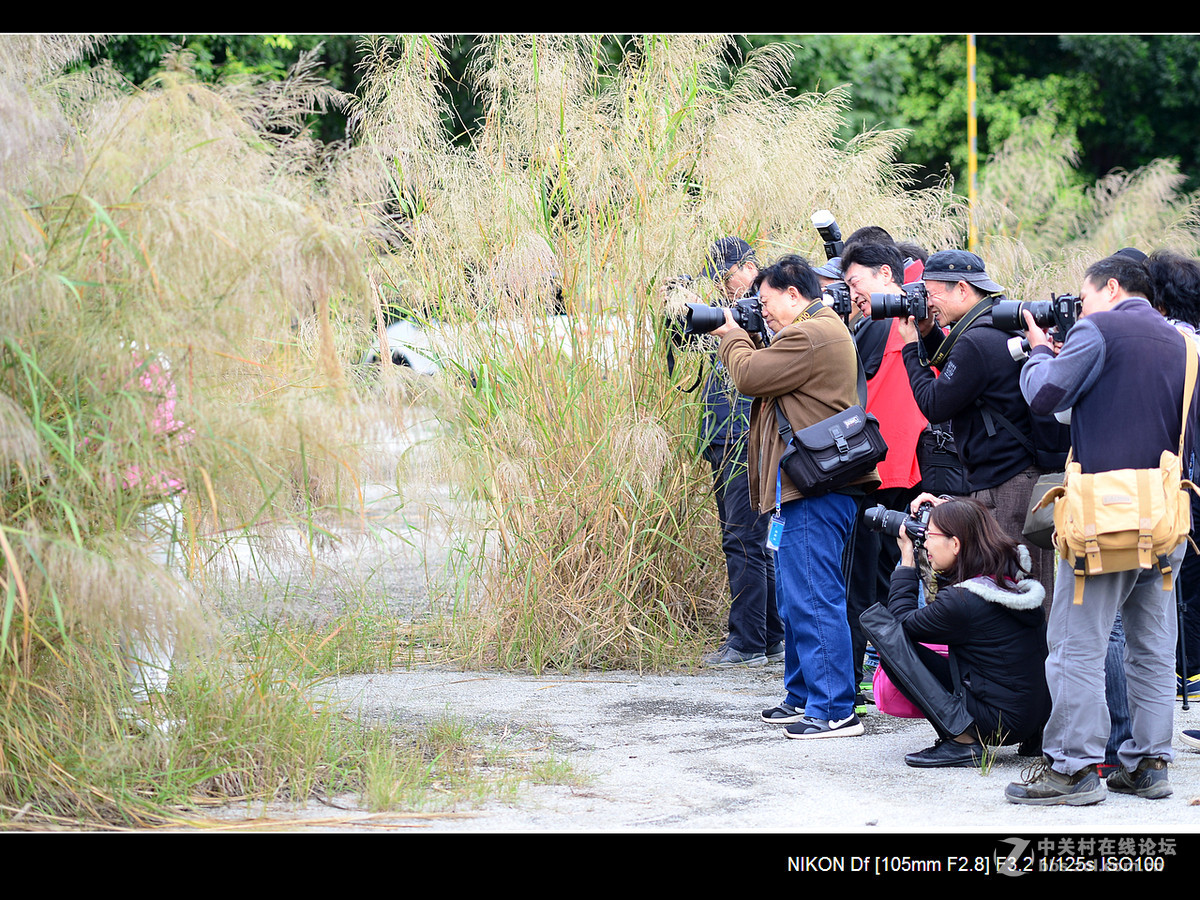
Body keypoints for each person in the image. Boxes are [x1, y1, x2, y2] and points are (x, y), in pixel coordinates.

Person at [1006, 252, 1199, 804]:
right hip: (1166, 516)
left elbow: (1045, 396)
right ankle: (1148, 764)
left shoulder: (1098, 329)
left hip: (1103, 522)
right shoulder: (1185, 343)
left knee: (1075, 645)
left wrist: (1040, 352)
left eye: (1084, 297)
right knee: (1153, 647)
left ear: (1110, 288)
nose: (1080, 308)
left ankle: (1072, 769)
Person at [713, 254, 879, 739]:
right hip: (801, 490)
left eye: (764, 303)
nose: (759, 312)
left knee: (814, 597)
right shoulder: (810, 331)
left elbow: (748, 376)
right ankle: (804, 697)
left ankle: (834, 710)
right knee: (794, 600)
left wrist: (732, 335)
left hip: (816, 489)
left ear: (793, 293)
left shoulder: (812, 333)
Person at [896, 249, 1055, 610]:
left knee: (1018, 592)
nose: (926, 303)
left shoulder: (975, 340)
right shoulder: (992, 328)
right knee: (1017, 585)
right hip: (1014, 476)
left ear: (962, 290)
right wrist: (930, 333)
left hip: (1009, 484)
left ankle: (1026, 667)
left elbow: (935, 404)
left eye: (931, 293)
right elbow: (964, 375)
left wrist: (910, 349)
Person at [871, 497, 1050, 767]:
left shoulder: (962, 603)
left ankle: (962, 741)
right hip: (1034, 715)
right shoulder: (1011, 569)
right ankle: (1035, 736)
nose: (925, 542)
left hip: (1001, 724)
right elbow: (977, 528)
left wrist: (907, 559)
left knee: (893, 654)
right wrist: (948, 507)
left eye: (929, 535)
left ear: (955, 544)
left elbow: (899, 627)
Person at [838, 240, 930, 698]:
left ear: (886, 276)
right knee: (893, 576)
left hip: (873, 467)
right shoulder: (916, 319)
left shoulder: (878, 322)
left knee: (859, 577)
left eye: (855, 282)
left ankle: (852, 678)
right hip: (907, 465)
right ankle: (893, 678)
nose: (851, 292)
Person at [694, 237, 783, 668]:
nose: (720, 285)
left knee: (743, 537)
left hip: (743, 434)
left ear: (749, 267)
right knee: (753, 538)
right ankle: (767, 636)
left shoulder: (766, 312)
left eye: (724, 272)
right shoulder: (727, 313)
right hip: (723, 433)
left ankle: (747, 642)